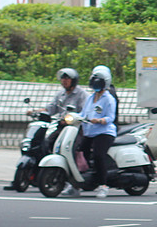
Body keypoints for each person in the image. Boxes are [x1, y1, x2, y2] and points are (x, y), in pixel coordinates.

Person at [76, 65, 118, 197]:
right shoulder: (90, 97)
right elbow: (83, 113)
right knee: (79, 152)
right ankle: (79, 182)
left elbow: (111, 117)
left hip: (104, 132)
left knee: (99, 155)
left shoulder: (109, 99)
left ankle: (103, 185)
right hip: (89, 131)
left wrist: (99, 120)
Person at [32, 67, 87, 151]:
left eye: (67, 78)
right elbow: (51, 108)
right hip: (62, 126)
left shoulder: (81, 94)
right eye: (62, 78)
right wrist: (35, 111)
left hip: (76, 128)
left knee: (73, 147)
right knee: (48, 142)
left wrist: (73, 118)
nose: (64, 81)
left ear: (74, 80)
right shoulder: (60, 94)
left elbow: (85, 112)